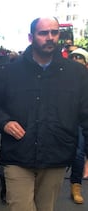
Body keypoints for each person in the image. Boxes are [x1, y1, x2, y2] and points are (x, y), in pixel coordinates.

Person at [0, 17, 88, 211]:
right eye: (43, 33)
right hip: (18, 155)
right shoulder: (11, 72)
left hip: (55, 156)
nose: (50, 37)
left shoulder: (76, 74)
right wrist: (4, 122)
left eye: (54, 32)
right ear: (31, 37)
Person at [68, 48, 88, 204]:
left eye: (79, 58)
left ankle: (76, 186)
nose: (76, 60)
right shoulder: (61, 77)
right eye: (73, 58)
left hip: (81, 121)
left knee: (78, 153)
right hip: (62, 119)